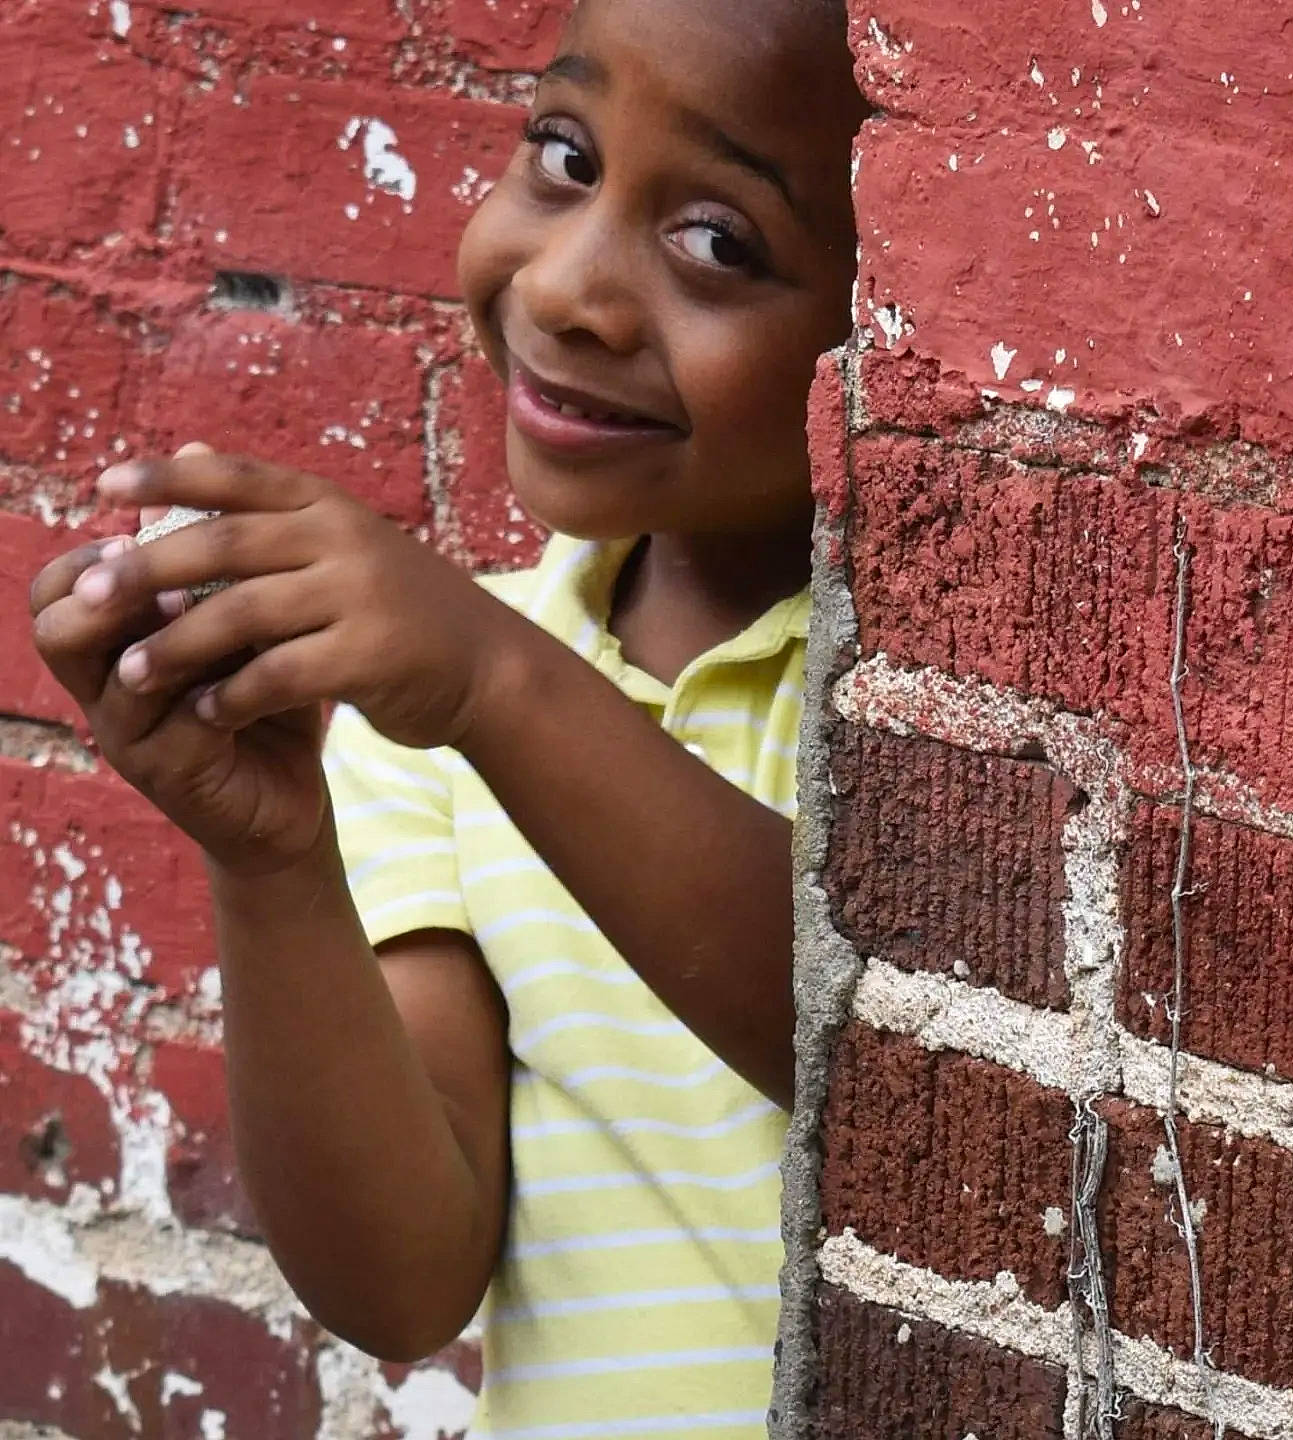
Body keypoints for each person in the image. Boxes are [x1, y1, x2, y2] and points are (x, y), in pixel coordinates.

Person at [29, 0, 866, 1433]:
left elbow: (879, 1054)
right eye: (562, 153)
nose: (565, 291)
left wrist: (494, 687)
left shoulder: (900, 704)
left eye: (718, 242)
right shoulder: (432, 710)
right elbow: (402, 1287)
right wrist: (271, 861)